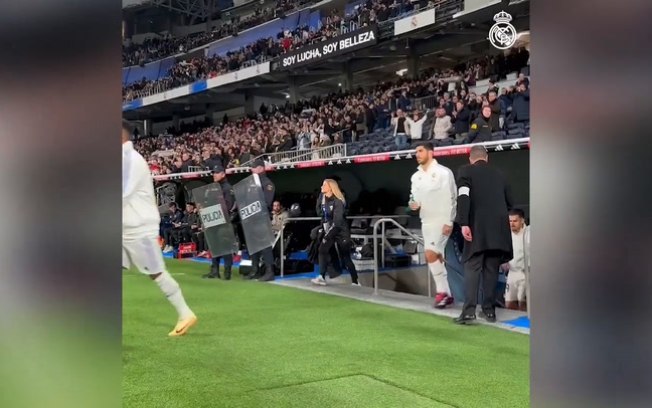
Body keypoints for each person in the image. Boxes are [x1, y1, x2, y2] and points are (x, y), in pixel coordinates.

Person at [122, 119, 197, 337]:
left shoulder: (131, 160)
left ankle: (185, 313)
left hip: (138, 229)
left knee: (157, 273)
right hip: (128, 227)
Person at [454, 145, 513, 324]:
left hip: (477, 227)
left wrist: (464, 223)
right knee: (491, 270)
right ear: (487, 158)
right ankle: (489, 312)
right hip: (498, 229)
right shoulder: (500, 174)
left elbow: (463, 197)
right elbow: (510, 202)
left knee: (472, 267)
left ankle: (469, 312)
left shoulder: (465, 171)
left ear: (470, 158)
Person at [409, 142, 457, 308]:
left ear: (430, 152)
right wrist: (413, 204)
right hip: (426, 220)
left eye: (420, 151)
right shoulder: (415, 177)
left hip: (442, 221)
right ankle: (447, 294)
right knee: (436, 257)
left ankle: (442, 292)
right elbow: (414, 198)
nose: (417, 154)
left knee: (430, 254)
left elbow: (452, 198)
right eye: (416, 152)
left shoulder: (444, 173)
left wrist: (449, 221)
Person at [310, 179, 360, 286]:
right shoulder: (323, 199)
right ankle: (322, 277)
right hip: (329, 230)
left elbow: (337, 222)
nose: (321, 187)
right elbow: (321, 213)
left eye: (324, 185)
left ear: (331, 187)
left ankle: (355, 280)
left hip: (341, 231)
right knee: (322, 250)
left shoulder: (338, 201)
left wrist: (328, 235)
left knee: (345, 256)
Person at [203, 163, 236, 280]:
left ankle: (227, 273)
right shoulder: (213, 187)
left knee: (225, 247)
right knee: (214, 247)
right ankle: (214, 271)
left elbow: (228, 205)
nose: (214, 175)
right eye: (213, 173)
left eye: (216, 173)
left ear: (223, 174)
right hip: (213, 221)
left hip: (223, 221)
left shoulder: (227, 188)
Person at [246, 159, 276, 282]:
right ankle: (255, 270)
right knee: (253, 245)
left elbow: (266, 202)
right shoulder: (252, 183)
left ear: (261, 168)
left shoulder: (267, 183)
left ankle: (269, 272)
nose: (252, 170)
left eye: (254, 167)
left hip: (262, 218)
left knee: (265, 246)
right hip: (251, 218)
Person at [501, 208, 530, 311]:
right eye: (510, 221)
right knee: (509, 305)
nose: (512, 224)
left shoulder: (529, 234)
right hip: (512, 273)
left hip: (526, 274)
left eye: (515, 221)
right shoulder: (506, 234)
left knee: (524, 306)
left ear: (522, 220)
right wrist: (503, 261)